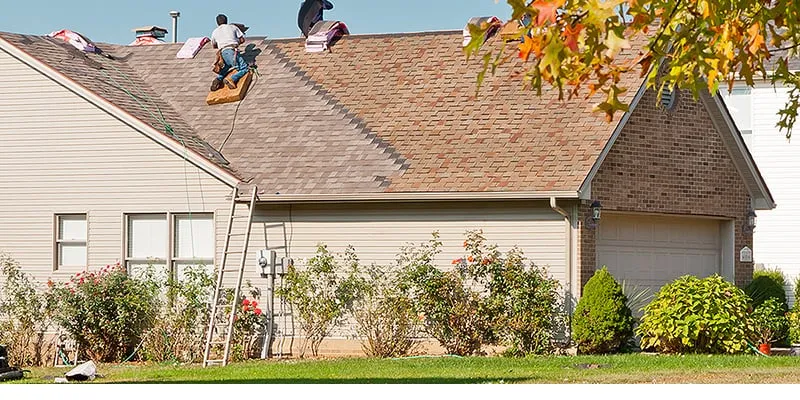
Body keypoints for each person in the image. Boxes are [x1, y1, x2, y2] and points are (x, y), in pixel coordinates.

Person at [210, 14, 249, 91]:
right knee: (244, 68)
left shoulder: (215, 31)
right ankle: (231, 79)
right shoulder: (233, 27)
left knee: (226, 67)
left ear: (217, 23)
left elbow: (214, 45)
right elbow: (242, 40)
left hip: (223, 53)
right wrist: (236, 43)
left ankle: (218, 79)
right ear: (226, 21)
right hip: (231, 51)